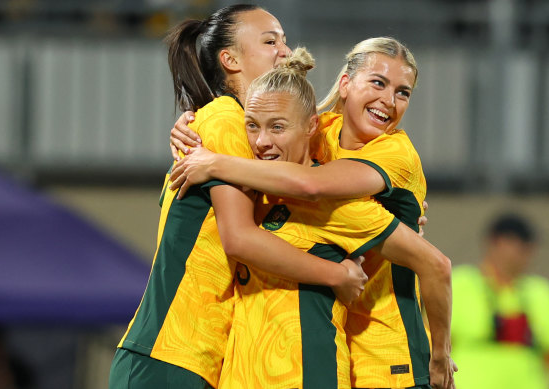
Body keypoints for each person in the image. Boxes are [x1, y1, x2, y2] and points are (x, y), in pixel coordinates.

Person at [169, 37, 457, 389]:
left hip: (388, 354)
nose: (389, 100)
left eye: (403, 92)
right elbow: (274, 125)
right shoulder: (322, 132)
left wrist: (440, 352)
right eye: (378, 83)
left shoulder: (394, 153)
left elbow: (311, 185)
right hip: (342, 345)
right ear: (345, 84)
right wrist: (194, 125)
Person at [109, 6, 370, 389]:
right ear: (230, 60)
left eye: (283, 39)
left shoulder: (242, 130)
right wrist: (338, 275)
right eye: (269, 41)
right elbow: (239, 237)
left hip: (200, 358)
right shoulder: (226, 120)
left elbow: (314, 180)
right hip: (169, 352)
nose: (285, 50)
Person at [451, 213, 549, 389]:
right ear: (495, 243)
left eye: (530, 247)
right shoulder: (460, 284)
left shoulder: (542, 293)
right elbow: (433, 346)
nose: (528, 253)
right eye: (521, 245)